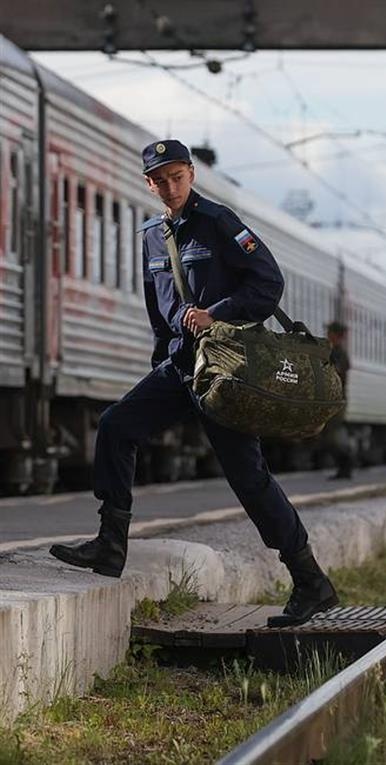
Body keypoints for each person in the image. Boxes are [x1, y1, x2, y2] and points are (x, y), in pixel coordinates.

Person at [49, 140, 339, 628]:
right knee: (117, 426)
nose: (170, 186)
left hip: (224, 373)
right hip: (180, 368)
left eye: (177, 176)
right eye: (160, 180)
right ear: (149, 184)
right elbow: (156, 304)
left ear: (191, 176)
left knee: (249, 479)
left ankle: (310, 580)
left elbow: (268, 284)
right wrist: (161, 357)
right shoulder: (150, 235)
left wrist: (216, 314)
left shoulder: (220, 223)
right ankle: (111, 542)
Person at [323, 321, 354, 480]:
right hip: (331, 399)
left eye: (330, 332)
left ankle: (346, 466)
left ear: (337, 335)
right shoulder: (331, 351)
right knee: (329, 435)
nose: (328, 335)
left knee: (333, 435)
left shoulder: (340, 353)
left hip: (337, 400)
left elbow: (339, 371)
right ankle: (343, 468)